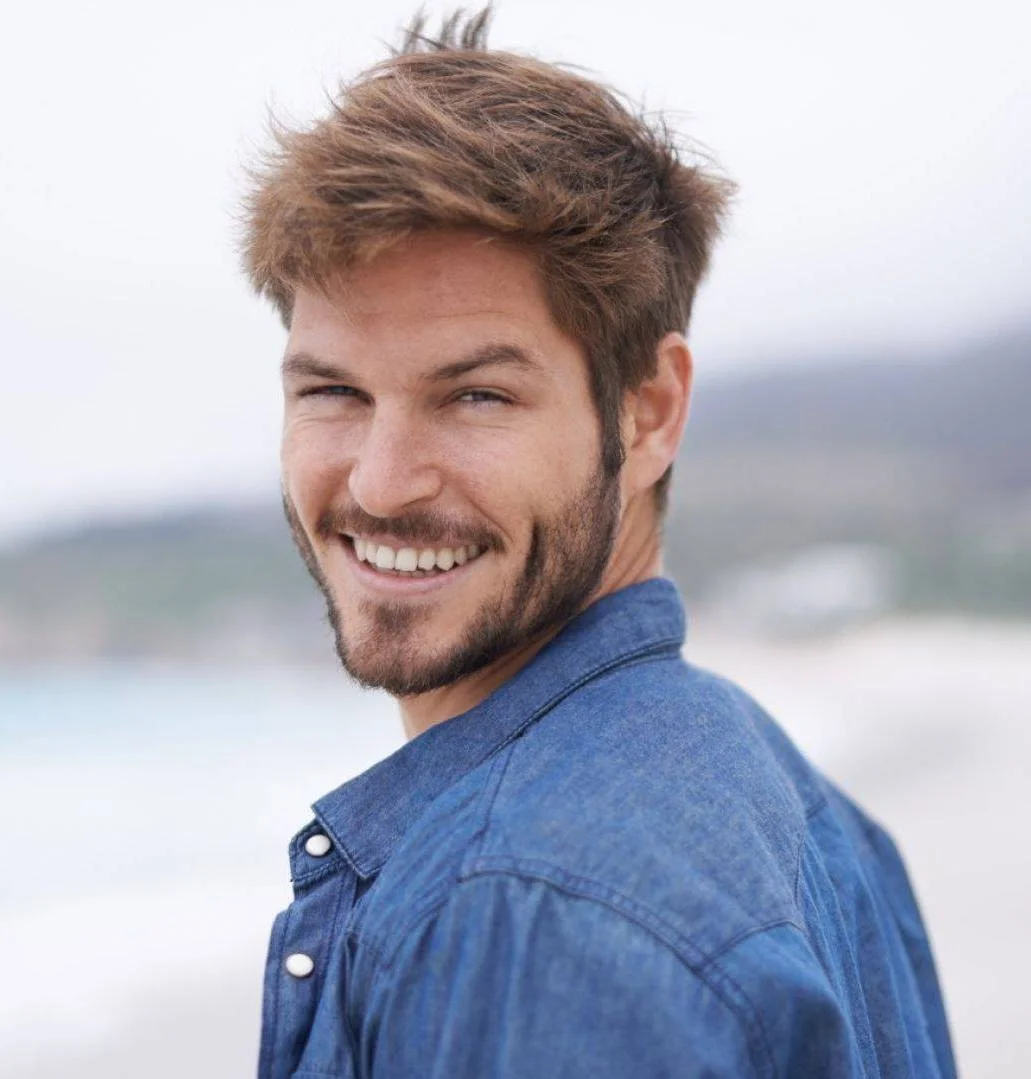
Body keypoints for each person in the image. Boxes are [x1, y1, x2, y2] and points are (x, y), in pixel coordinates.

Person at [241, 9, 957, 1077]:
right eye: (333, 391)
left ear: (649, 410)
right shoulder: (803, 808)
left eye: (476, 395)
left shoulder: (527, 911)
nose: (381, 482)